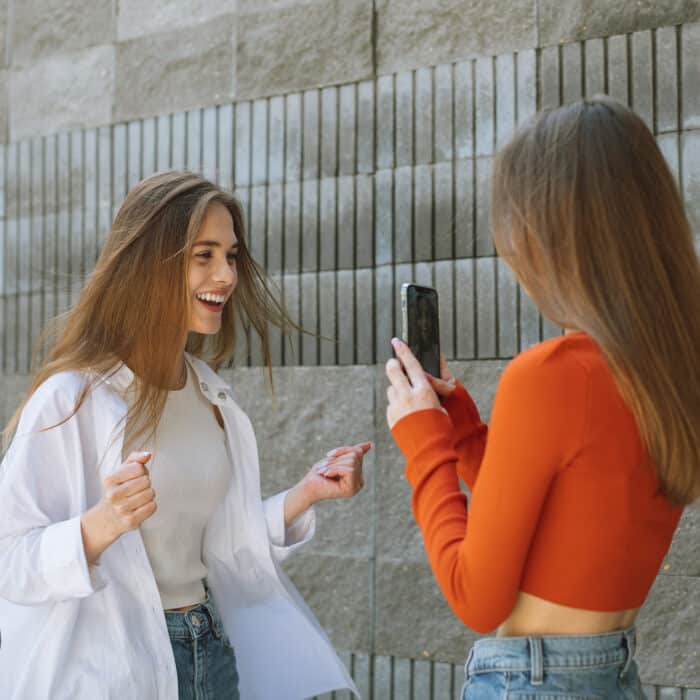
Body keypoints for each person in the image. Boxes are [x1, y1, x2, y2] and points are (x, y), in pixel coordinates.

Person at [0, 171, 371, 699]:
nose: (226, 274)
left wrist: (305, 494)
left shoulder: (209, 395)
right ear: (152, 264)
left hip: (209, 652)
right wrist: (100, 526)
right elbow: (8, 559)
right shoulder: (71, 398)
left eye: (232, 255)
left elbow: (219, 546)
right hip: (109, 670)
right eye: (204, 255)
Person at [385, 96, 700, 698]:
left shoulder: (552, 375)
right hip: (612, 677)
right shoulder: (668, 369)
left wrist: (423, 445)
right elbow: (563, 509)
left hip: (532, 681)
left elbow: (474, 595)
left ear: (549, 237)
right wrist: (464, 430)